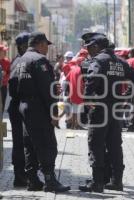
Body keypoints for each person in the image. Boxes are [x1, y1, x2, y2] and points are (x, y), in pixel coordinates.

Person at [79, 33, 134, 193]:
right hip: (116, 109)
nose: (88, 52)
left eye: (89, 48)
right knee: (115, 145)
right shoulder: (121, 61)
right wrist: (127, 95)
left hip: (99, 109)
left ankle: (97, 182)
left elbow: (92, 80)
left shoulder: (98, 60)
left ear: (96, 46)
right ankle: (116, 181)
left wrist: (88, 99)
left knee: (96, 144)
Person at [16, 31, 70, 192]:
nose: (47, 48)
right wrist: (54, 113)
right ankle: (50, 180)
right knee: (48, 144)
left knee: (30, 145)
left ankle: (33, 180)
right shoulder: (40, 60)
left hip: (24, 106)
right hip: (39, 109)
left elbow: (14, 85)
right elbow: (49, 91)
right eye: (46, 44)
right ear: (40, 44)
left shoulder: (20, 60)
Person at [8, 33, 34, 189]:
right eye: (29, 45)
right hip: (19, 107)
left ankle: (21, 176)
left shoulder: (18, 60)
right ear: (23, 46)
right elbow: (14, 88)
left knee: (22, 142)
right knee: (21, 143)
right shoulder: (20, 62)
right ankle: (20, 176)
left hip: (18, 106)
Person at [65, 60, 84, 129]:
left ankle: (73, 125)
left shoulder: (72, 70)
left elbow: (66, 79)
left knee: (74, 109)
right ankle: (77, 125)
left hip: (72, 92)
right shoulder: (81, 70)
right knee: (78, 110)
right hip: (80, 92)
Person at [0, 45, 10, 112]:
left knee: (2, 104)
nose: (6, 52)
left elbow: (10, 73)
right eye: (4, 51)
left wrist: (5, 74)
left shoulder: (7, 62)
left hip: (3, 86)